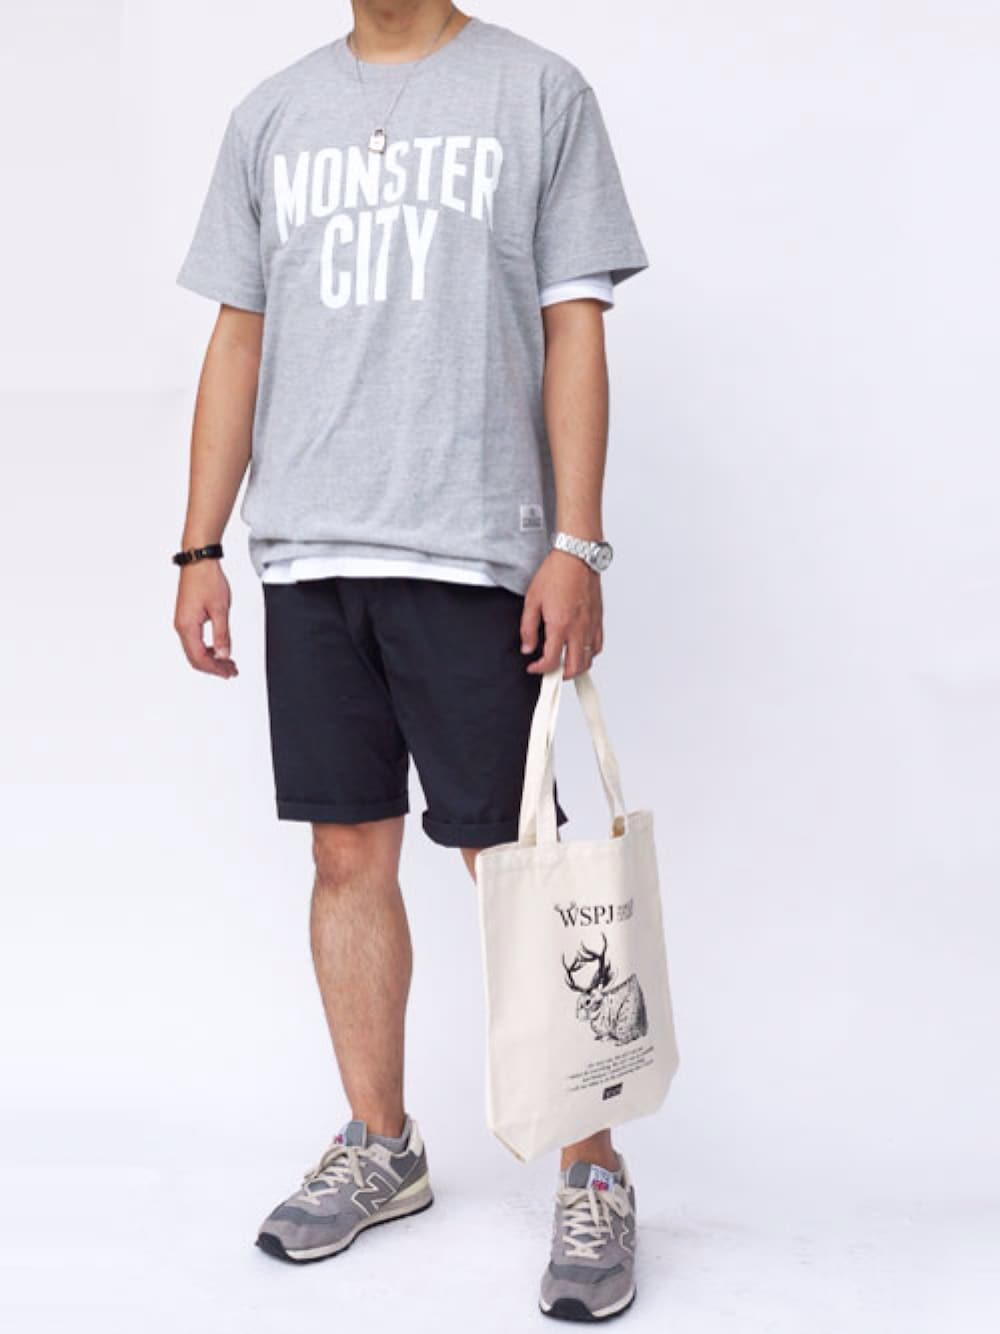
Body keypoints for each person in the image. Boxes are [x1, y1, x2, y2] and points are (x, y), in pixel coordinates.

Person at [173, 1, 649, 1321]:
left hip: (472, 547)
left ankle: (594, 1169)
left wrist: (576, 542)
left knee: (522, 871)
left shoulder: (538, 92)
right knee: (345, 855)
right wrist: (199, 544)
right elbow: (238, 336)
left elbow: (575, 324)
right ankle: (382, 1145)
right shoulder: (271, 114)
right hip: (308, 553)